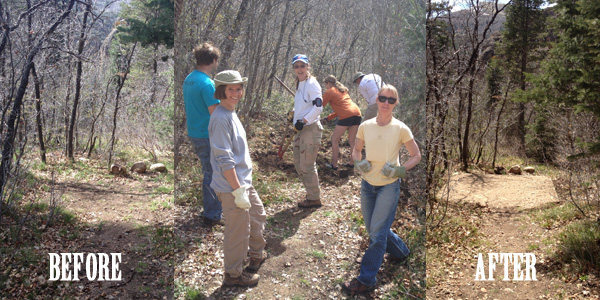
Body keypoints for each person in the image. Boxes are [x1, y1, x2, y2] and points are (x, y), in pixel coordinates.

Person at [342, 84, 421, 295]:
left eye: (391, 100)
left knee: (377, 236)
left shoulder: (401, 128)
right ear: (376, 99)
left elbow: (416, 155)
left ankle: (366, 280)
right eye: (383, 98)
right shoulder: (365, 125)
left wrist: (399, 170)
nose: (386, 103)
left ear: (396, 104)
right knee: (375, 230)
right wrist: (359, 164)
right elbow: (356, 150)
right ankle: (401, 252)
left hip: (388, 187)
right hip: (368, 185)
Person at [208, 70, 267, 287]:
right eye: (231, 89)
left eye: (239, 88)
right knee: (237, 233)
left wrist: (243, 186)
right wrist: (237, 190)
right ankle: (233, 275)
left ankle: (256, 254)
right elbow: (224, 159)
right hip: (232, 186)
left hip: (243, 183)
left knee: (258, 216)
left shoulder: (230, 112)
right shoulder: (220, 118)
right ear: (221, 91)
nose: (236, 92)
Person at [183, 42, 222, 227]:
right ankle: (212, 214)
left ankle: (211, 210)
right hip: (207, 134)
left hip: (195, 131)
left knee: (208, 171)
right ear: (213, 60)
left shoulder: (189, 78)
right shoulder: (207, 83)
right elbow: (215, 112)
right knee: (212, 173)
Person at [291, 54, 324, 208]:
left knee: (307, 165)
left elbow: (318, 106)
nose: (300, 69)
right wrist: (294, 113)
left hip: (310, 129)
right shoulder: (300, 83)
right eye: (297, 66)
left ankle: (314, 198)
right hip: (300, 129)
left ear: (307, 67)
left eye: (302, 66)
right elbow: (304, 104)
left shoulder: (312, 83)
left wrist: (303, 120)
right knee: (298, 164)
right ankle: (310, 193)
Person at [322, 75, 362, 170]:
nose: (326, 87)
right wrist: (328, 118)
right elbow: (341, 109)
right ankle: (352, 163)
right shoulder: (342, 90)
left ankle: (334, 165)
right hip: (357, 113)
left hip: (347, 115)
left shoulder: (330, 91)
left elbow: (320, 106)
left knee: (334, 139)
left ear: (328, 83)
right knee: (352, 141)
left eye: (325, 85)